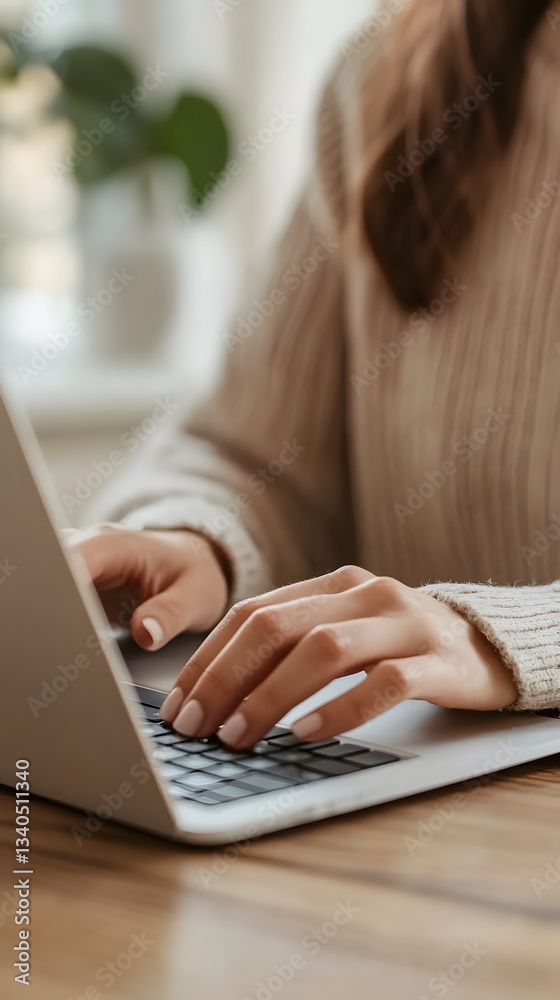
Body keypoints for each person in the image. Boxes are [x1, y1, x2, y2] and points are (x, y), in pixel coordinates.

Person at [74, 0, 560, 748]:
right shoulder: (390, 71)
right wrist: (199, 540)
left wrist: (501, 640)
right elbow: (258, 457)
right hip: (380, 781)